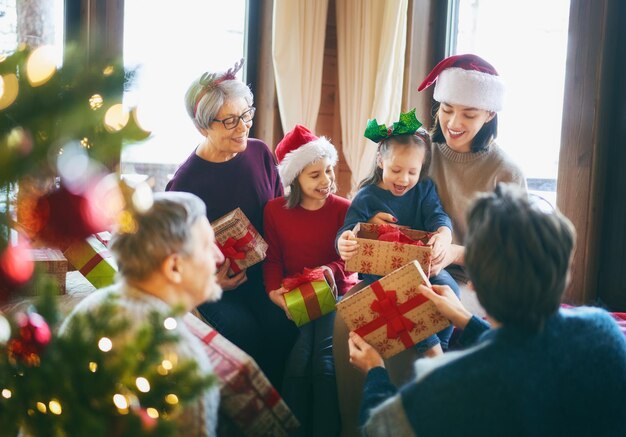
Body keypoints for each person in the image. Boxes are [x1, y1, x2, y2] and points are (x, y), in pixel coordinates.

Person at [349, 184, 626, 436]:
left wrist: (375, 370)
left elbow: (378, 430)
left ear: (475, 286)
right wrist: (466, 320)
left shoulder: (450, 383)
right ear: (566, 273)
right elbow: (527, 350)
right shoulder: (603, 332)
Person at [165, 59, 298, 389]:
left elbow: (280, 216)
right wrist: (213, 283)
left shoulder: (260, 154)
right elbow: (175, 261)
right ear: (202, 127)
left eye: (246, 114)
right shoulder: (184, 184)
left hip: (267, 276)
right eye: (230, 121)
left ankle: (279, 415)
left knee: (285, 324)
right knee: (245, 335)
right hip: (220, 290)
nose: (243, 127)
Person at [61, 191, 224, 436]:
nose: (219, 257)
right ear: (174, 266)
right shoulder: (176, 355)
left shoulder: (92, 307)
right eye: (206, 246)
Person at [336, 109, 459, 356]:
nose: (403, 179)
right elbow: (348, 229)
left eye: (412, 172)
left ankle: (442, 345)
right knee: (403, 297)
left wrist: (444, 234)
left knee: (450, 288)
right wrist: (344, 241)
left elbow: (437, 215)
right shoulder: (367, 196)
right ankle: (431, 347)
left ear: (421, 168)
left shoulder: (423, 189)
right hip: (381, 272)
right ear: (381, 161)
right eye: (396, 170)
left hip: (420, 265)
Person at [263, 125, 358, 437]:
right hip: (296, 296)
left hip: (335, 293)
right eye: (314, 175)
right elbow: (273, 257)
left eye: (329, 171)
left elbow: (349, 260)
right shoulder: (275, 211)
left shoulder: (345, 209)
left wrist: (329, 272)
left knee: (322, 360)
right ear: (295, 179)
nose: (326, 181)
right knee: (300, 359)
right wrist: (274, 292)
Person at [417, 53, 526, 282]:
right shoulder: (418, 150)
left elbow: (513, 253)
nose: (454, 123)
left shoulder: (506, 172)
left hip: (475, 282)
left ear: (489, 114)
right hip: (410, 270)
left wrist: (454, 253)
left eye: (469, 114)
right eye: (447, 109)